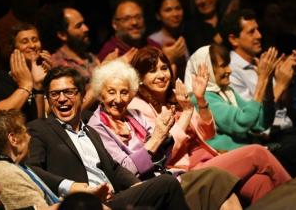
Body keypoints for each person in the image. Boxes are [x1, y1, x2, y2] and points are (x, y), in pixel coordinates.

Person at [127, 46, 291, 205]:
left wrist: (200, 100)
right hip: (186, 171)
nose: (161, 75)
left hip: (208, 159)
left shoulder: (176, 99)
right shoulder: (139, 107)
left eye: (164, 68)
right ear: (139, 78)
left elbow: (207, 134)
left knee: (261, 182)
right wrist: (186, 113)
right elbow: (163, 154)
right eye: (152, 71)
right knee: (257, 152)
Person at [26, 66, 190, 210]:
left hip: (114, 197)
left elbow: (114, 168)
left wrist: (138, 185)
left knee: (168, 183)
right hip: (85, 204)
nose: (62, 99)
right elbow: (31, 169)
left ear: (82, 96)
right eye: (54, 94)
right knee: (167, 185)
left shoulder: (90, 131)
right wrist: (72, 187)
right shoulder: (40, 129)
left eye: (68, 92)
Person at [88, 60, 242, 210]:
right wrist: (156, 139)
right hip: (146, 188)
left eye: (124, 92)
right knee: (218, 178)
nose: (118, 99)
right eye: (111, 92)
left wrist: (164, 135)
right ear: (100, 94)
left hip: (167, 175)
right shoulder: (97, 127)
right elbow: (124, 169)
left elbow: (163, 155)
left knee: (223, 186)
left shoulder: (135, 114)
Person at [216, 9, 296, 176]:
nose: (259, 35)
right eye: (251, 31)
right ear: (233, 39)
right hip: (270, 139)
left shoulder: (261, 62)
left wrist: (287, 78)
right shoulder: (231, 71)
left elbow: (283, 107)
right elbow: (254, 122)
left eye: (258, 29)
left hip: (290, 127)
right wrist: (280, 84)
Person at [0, 110, 60, 210]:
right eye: (25, 131)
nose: (29, 136)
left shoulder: (16, 167)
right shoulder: (2, 172)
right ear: (13, 139)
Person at [36, 4, 100, 111]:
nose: (86, 29)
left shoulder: (91, 57)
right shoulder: (57, 64)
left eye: (84, 23)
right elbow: (73, 108)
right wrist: (103, 75)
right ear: (62, 35)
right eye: (78, 26)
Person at [9, 22, 53, 118]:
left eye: (35, 40)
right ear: (14, 49)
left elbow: (46, 113)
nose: (32, 46)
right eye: (25, 42)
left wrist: (53, 77)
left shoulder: (46, 73)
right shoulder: (10, 79)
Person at [148, 0, 189, 80]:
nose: (175, 14)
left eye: (178, 8)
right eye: (168, 10)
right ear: (158, 15)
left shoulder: (188, 36)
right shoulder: (152, 41)